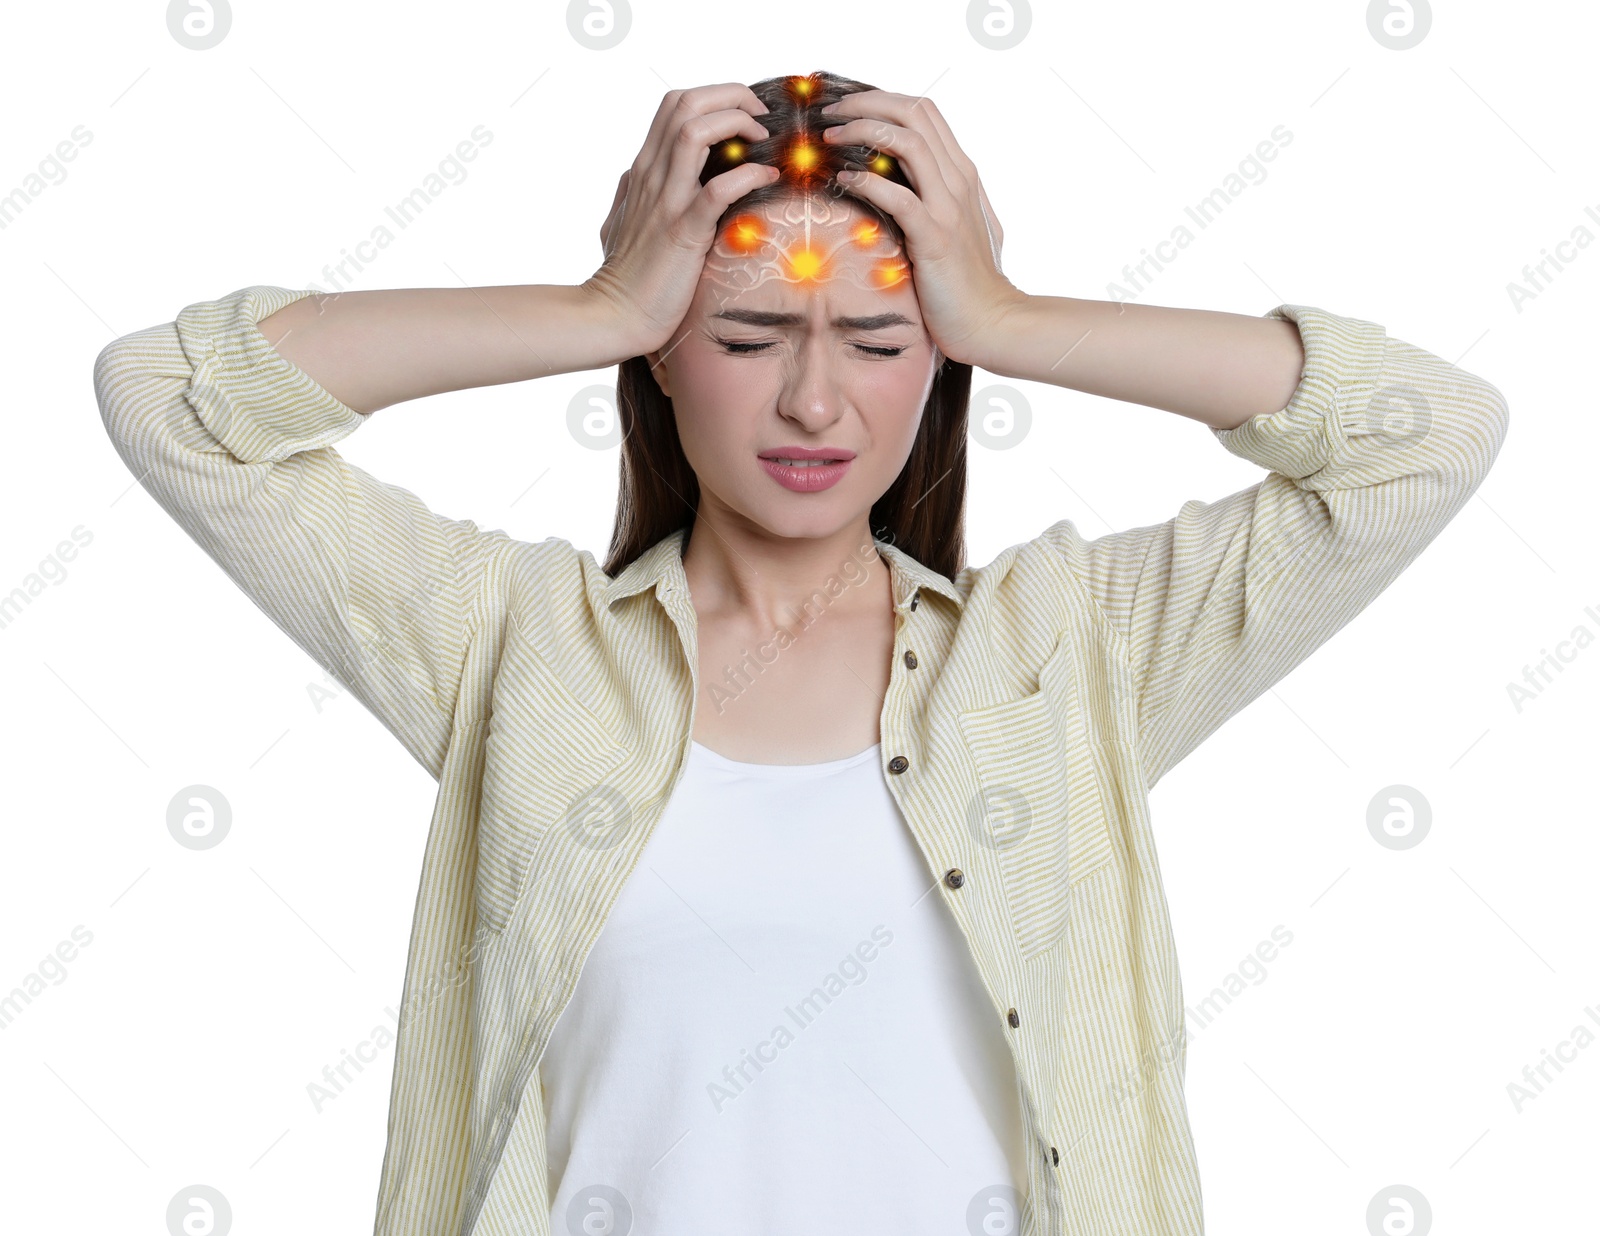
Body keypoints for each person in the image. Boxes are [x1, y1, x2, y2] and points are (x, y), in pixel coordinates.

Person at [93, 69, 1508, 1236]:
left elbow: (1427, 435)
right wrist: (596, 305)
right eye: (750, 331)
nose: (815, 400)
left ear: (939, 365)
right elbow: (169, 398)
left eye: (883, 340)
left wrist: (1007, 315)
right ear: (664, 354)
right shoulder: (510, 648)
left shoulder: (1069, 657)